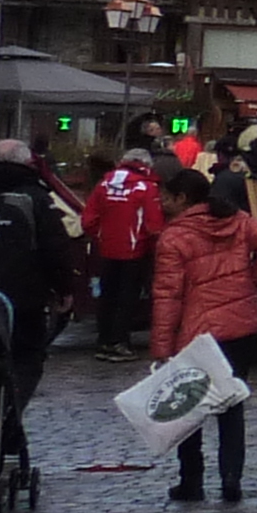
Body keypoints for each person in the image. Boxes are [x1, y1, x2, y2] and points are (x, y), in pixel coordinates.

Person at [148, 164, 257, 505]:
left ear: (182, 198)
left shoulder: (175, 237)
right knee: (231, 404)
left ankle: (192, 482)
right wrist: (250, 281)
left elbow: (168, 296)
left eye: (165, 197)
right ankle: (231, 480)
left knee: (188, 407)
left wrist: (161, 348)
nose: (160, 202)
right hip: (239, 327)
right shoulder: (235, 220)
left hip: (196, 333)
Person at [0, 140, 79, 423]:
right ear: (27, 163)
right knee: (26, 359)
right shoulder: (35, 197)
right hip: (24, 298)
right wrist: (65, 288)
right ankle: (7, 420)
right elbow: (55, 246)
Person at [86, 147, 165, 359]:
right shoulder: (147, 188)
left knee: (107, 295)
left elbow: (88, 220)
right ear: (146, 165)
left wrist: (101, 237)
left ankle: (104, 341)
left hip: (107, 249)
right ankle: (120, 343)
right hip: (134, 251)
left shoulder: (104, 184)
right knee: (127, 298)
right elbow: (154, 224)